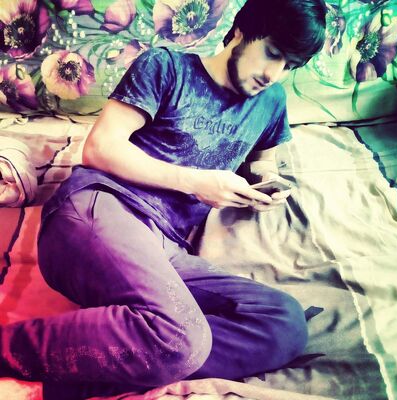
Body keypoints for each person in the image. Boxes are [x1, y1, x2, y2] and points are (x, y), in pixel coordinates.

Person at [0, 0, 327, 398]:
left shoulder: (271, 102)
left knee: (283, 323)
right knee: (181, 336)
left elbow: (264, 162)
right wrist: (195, 182)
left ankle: (100, 365)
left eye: (291, 66)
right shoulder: (167, 66)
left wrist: (266, 184)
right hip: (102, 208)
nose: (274, 75)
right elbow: (100, 148)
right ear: (241, 30)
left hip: (166, 245)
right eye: (272, 53)